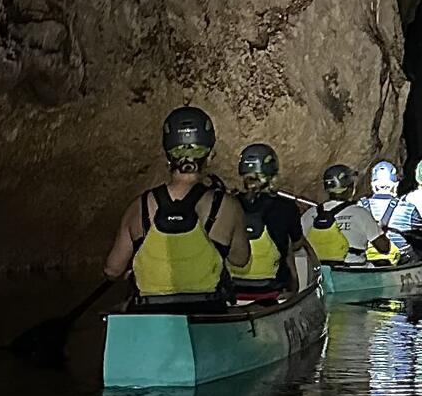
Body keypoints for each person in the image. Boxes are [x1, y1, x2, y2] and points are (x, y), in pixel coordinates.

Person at [103, 106, 250, 311]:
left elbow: (112, 269)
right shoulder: (228, 207)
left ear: (167, 155)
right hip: (207, 314)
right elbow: (241, 260)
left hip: (149, 316)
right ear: (209, 155)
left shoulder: (139, 207)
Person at [232, 142, 321, 301]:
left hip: (232, 289)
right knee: (287, 246)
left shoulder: (228, 203)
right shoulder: (285, 207)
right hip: (272, 289)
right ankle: (295, 293)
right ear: (272, 173)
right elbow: (297, 244)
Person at [302, 163, 395, 264]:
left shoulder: (309, 214)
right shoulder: (360, 213)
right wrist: (378, 230)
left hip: (318, 271)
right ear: (350, 188)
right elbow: (384, 248)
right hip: (353, 270)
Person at [361, 160, 422, 260]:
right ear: (395, 184)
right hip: (401, 261)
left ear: (372, 184)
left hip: (369, 258)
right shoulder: (408, 208)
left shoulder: (360, 207)